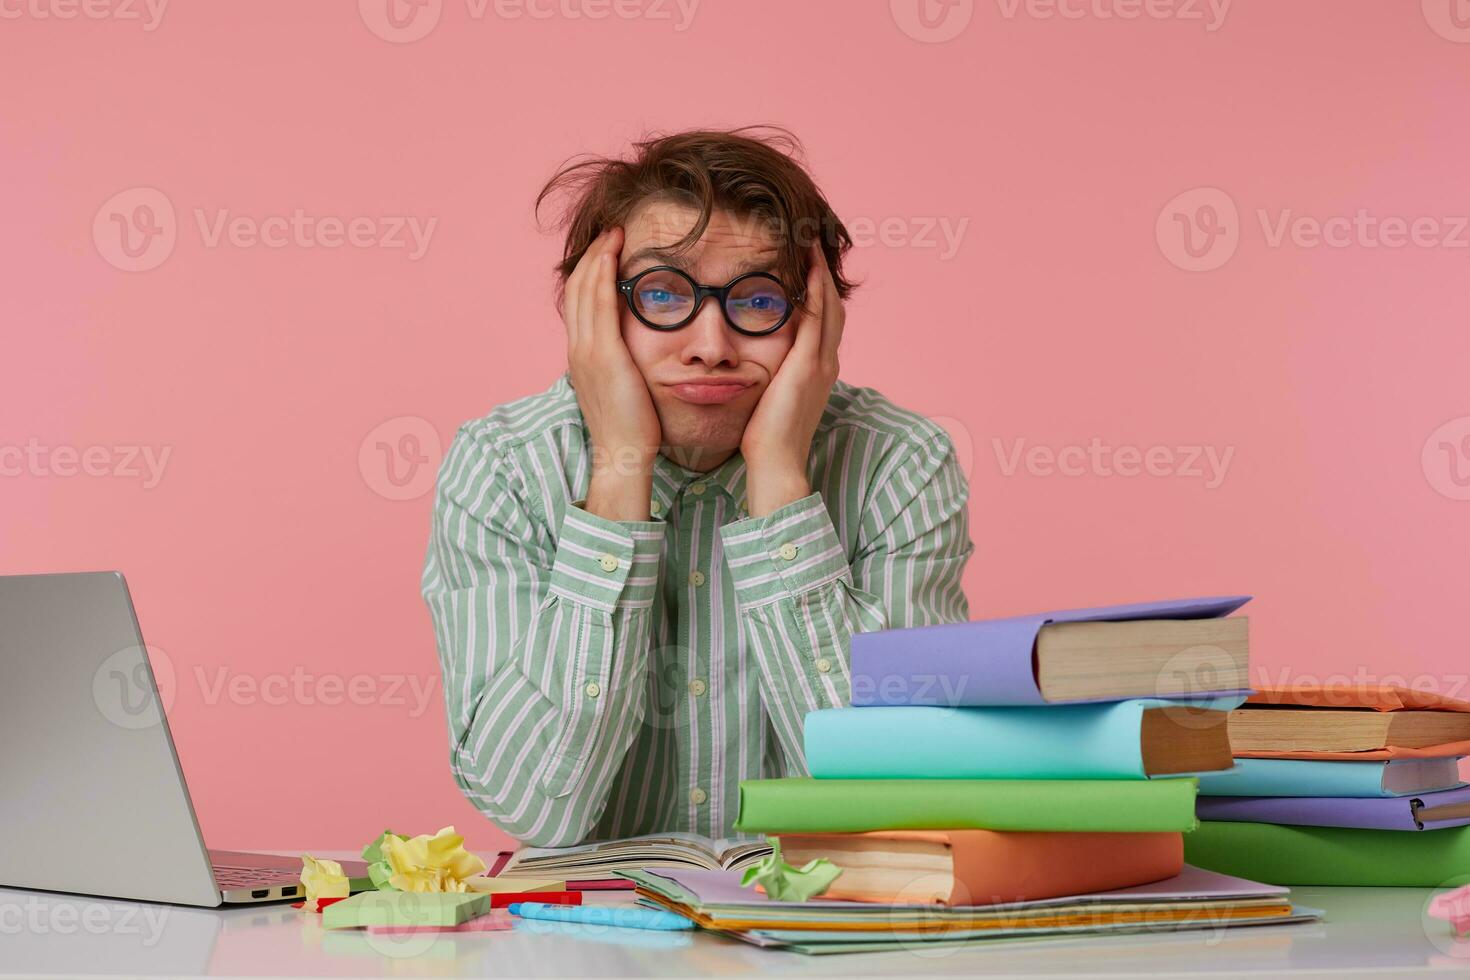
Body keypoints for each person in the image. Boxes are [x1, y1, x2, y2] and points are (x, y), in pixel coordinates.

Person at [422, 127, 973, 847]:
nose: (711, 345)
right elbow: (531, 807)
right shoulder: (502, 468)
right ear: (591, 310)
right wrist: (621, 464)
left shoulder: (899, 464)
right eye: (662, 293)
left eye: (757, 300)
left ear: (815, 318)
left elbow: (902, 798)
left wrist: (779, 476)